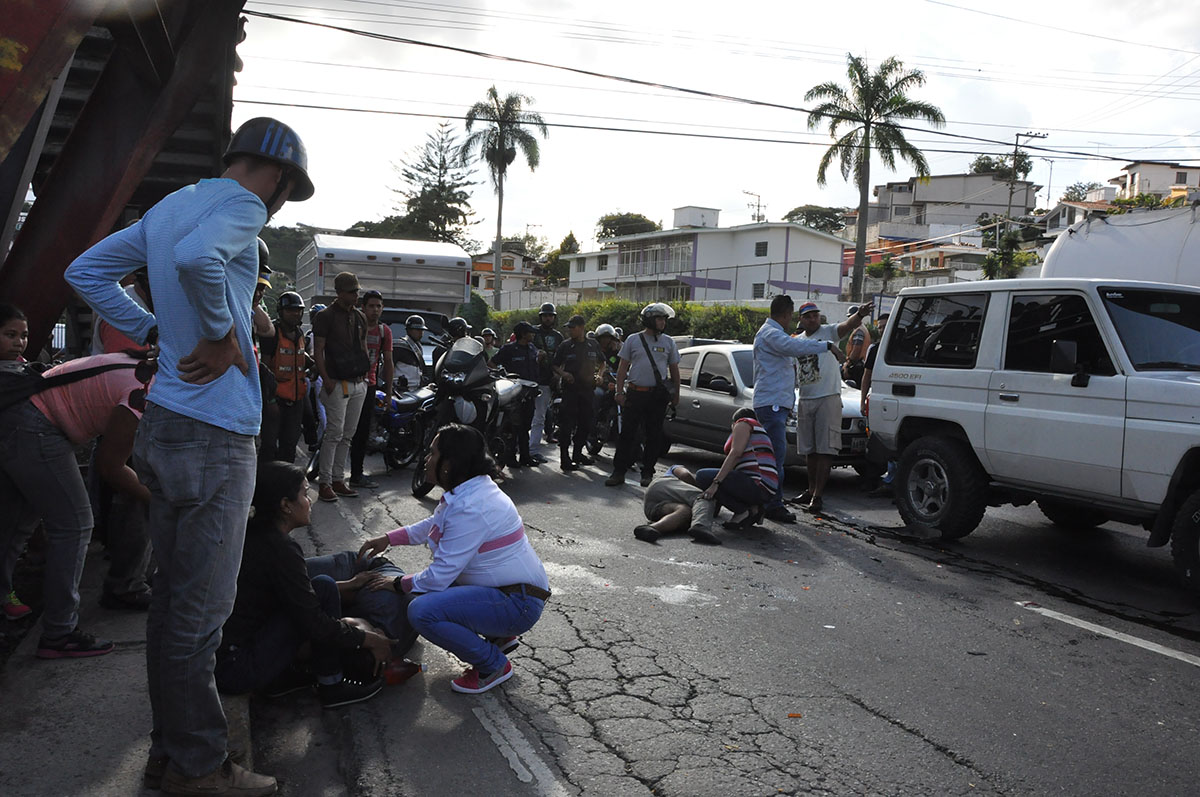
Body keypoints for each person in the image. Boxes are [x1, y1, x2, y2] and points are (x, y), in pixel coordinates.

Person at [65, 115, 313, 795]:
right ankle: (200, 766)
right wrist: (218, 335)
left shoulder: (174, 203)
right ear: (283, 181)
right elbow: (198, 261)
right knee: (200, 619)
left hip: (167, 428)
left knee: (175, 609)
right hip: (214, 435)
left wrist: (154, 331)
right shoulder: (242, 205)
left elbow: (85, 271)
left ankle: (170, 752)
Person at [357, 423, 550, 695]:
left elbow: (439, 576)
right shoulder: (470, 490)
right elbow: (434, 524)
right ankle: (498, 636)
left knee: (421, 610)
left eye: (432, 453)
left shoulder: (472, 506)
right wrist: (389, 538)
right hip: (511, 592)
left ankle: (493, 664)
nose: (426, 460)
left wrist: (396, 583)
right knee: (423, 593)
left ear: (450, 463)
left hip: (518, 603)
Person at [0, 348, 157, 650]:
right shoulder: (145, 392)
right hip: (39, 424)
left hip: (20, 413)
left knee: (20, 521)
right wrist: (157, 499)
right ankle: (59, 632)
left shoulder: (145, 365)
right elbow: (111, 466)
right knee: (74, 525)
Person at [216, 462, 394, 708]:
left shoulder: (256, 534)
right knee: (322, 593)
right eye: (303, 493)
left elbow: (294, 594)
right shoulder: (281, 550)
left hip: (229, 656)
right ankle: (331, 686)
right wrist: (369, 639)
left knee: (323, 586)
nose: (309, 500)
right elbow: (315, 623)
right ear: (285, 505)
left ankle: (281, 677)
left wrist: (349, 585)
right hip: (237, 668)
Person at [752, 294, 846, 523]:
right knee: (775, 457)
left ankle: (769, 501)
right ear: (786, 315)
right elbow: (794, 346)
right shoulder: (772, 334)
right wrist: (827, 346)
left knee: (774, 455)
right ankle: (773, 504)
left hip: (776, 402)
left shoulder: (771, 333)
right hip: (772, 403)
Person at [794, 299, 871, 514]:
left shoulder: (828, 332)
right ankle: (810, 490)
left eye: (815, 315)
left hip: (828, 397)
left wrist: (860, 315)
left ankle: (818, 496)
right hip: (806, 398)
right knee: (809, 449)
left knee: (825, 448)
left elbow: (846, 326)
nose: (813, 319)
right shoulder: (798, 341)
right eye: (808, 316)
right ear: (801, 319)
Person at [605, 302, 681, 488]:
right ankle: (618, 472)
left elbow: (674, 370)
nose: (663, 322)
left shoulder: (669, 342)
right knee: (627, 435)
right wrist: (619, 391)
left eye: (664, 319)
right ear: (649, 320)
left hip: (657, 397)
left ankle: (648, 472)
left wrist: (676, 394)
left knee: (654, 435)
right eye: (659, 318)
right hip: (635, 393)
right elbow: (623, 368)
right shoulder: (633, 339)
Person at [313, 271, 370, 503]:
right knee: (334, 433)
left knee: (348, 434)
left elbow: (364, 346)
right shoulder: (325, 316)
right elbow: (318, 350)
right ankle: (325, 481)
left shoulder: (359, 317)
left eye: (357, 290)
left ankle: (338, 479)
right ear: (339, 293)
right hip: (337, 382)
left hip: (358, 382)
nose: (356, 295)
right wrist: (326, 378)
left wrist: (366, 375)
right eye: (351, 291)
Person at [692, 408, 777, 529]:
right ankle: (754, 508)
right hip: (766, 488)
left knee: (702, 476)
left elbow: (736, 453)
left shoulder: (743, 423)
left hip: (758, 484)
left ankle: (742, 511)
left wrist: (715, 484)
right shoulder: (759, 431)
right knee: (721, 476)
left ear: (734, 422)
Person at [0, 303, 32, 620]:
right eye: (10, 335)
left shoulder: (22, 369)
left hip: (17, 462)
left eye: (22, 335)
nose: (18, 342)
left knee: (14, 529)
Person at [349, 290, 394, 489]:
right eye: (371, 306)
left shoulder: (385, 332)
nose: (375, 310)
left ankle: (356, 475)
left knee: (361, 431)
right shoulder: (354, 326)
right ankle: (331, 475)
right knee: (340, 430)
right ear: (363, 307)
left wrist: (389, 392)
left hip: (369, 385)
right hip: (349, 382)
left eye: (378, 306)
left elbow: (389, 362)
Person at [260, 291, 310, 463]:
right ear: (281, 312)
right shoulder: (272, 334)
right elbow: (264, 369)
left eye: (298, 310)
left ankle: (285, 487)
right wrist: (270, 401)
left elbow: (301, 357)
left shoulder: (300, 335)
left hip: (296, 400)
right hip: (276, 401)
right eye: (290, 310)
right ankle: (265, 487)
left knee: (289, 448)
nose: (295, 314)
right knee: (269, 447)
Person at [552, 314, 603, 472]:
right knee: (567, 425)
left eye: (572, 328)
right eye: (569, 328)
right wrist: (564, 374)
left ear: (581, 328)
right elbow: (555, 365)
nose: (570, 331)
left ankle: (577, 453)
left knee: (586, 424)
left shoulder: (593, 344)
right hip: (571, 391)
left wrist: (600, 375)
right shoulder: (565, 346)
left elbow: (603, 362)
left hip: (588, 390)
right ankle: (564, 458)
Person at [491, 321, 539, 467]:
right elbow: (491, 363)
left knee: (525, 427)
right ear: (523, 334)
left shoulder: (532, 348)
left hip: (529, 394)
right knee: (512, 428)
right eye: (530, 332)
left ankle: (525, 457)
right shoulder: (509, 349)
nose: (532, 335)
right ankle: (509, 458)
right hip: (513, 396)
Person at [633, 465, 720, 546]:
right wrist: (700, 489)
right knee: (704, 497)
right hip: (662, 484)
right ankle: (701, 526)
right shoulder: (675, 468)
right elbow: (685, 475)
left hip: (652, 508)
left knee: (685, 511)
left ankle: (650, 528)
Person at [859, 311, 895, 498]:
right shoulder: (875, 350)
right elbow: (867, 377)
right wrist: (863, 400)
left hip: (899, 402)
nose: (882, 330)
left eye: (885, 326)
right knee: (876, 443)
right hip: (879, 402)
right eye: (879, 327)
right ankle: (873, 481)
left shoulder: (902, 347)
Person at [529, 302, 563, 462]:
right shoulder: (532, 333)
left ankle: (533, 449)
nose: (548, 318)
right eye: (545, 315)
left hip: (546, 381)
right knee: (523, 416)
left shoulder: (558, 337)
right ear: (541, 316)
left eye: (550, 315)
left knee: (539, 416)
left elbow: (563, 358)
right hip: (529, 378)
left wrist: (558, 374)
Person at [842, 306, 872, 386]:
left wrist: (847, 367)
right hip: (861, 366)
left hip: (856, 368)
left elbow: (856, 351)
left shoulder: (859, 331)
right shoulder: (862, 329)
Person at [396, 314, 425, 390]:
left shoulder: (419, 347)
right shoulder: (398, 346)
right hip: (399, 390)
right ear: (408, 330)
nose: (421, 333)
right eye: (417, 330)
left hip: (415, 390)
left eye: (422, 330)